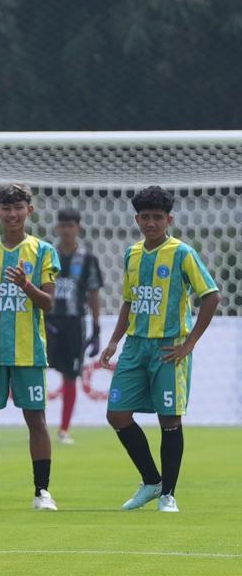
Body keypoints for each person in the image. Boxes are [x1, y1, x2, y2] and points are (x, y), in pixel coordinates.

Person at [100, 186, 220, 513]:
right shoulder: (132, 254)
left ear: (169, 219)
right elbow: (129, 300)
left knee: (170, 419)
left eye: (157, 218)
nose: (151, 223)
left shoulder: (182, 253)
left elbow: (211, 296)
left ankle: (168, 494)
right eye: (145, 217)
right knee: (117, 414)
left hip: (169, 347)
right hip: (136, 346)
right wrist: (113, 340)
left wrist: (190, 342)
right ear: (137, 219)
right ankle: (151, 480)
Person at [0, 182, 60, 511]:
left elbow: (48, 304)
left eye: (19, 208)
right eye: (6, 208)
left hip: (28, 351)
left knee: (37, 420)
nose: (13, 214)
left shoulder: (43, 251)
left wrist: (26, 284)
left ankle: (42, 492)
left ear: (29, 211)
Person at [46, 208, 103, 445]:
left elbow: (93, 293)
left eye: (71, 225)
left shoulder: (87, 259)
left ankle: (63, 429)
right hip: (48, 320)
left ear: (78, 228)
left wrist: (97, 327)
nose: (67, 229)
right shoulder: (47, 256)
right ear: (57, 227)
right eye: (63, 225)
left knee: (71, 375)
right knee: (37, 370)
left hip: (74, 323)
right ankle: (36, 423)